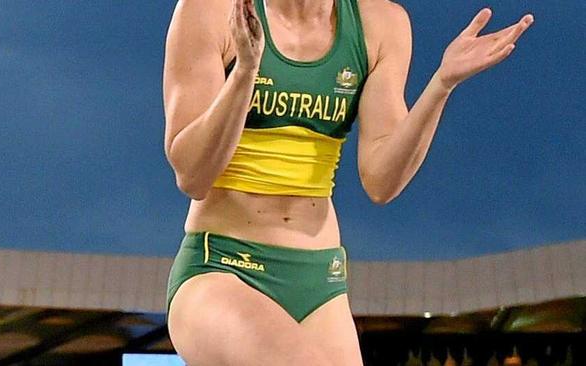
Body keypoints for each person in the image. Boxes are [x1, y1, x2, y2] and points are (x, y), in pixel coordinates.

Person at [163, 0, 533, 365]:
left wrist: (441, 85)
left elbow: (381, 182)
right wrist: (245, 71)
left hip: (320, 279)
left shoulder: (381, 24)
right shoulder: (210, 11)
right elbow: (193, 175)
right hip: (223, 268)